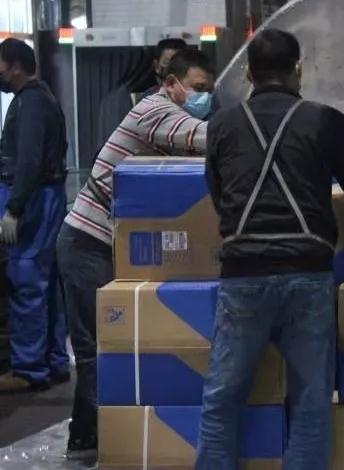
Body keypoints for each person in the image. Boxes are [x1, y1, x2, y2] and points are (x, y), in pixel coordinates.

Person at [196, 29, 344, 470]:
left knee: (222, 398)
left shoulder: (222, 126)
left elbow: (219, 193)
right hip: (307, 275)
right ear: (298, 69)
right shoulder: (324, 121)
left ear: (247, 73)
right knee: (310, 402)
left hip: (243, 277)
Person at [57, 48, 215, 461]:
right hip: (87, 242)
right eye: (198, 88)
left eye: (209, 90)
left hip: (109, 244)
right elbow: (204, 138)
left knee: (112, 346)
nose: (204, 97)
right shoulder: (155, 111)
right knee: (100, 349)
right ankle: (103, 446)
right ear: (171, 84)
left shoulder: (171, 113)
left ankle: (93, 440)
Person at [0, 38, 69, 394]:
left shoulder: (30, 103)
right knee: (46, 282)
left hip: (32, 200)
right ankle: (54, 361)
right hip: (44, 196)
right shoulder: (41, 98)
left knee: (26, 279)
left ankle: (28, 368)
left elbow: (28, 160)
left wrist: (14, 209)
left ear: (14, 66)